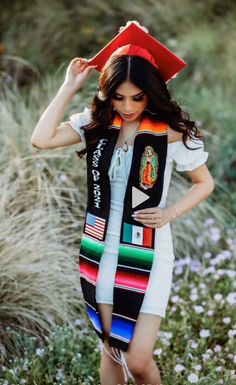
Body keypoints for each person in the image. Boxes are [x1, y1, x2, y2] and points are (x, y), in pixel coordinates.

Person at [31, 21, 215, 385]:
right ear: (107, 94)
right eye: (118, 96)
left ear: (152, 93)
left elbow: (204, 183)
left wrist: (170, 213)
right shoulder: (97, 123)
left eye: (137, 97)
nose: (127, 106)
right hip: (100, 247)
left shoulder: (170, 132)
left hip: (148, 249)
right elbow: (41, 138)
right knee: (112, 350)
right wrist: (70, 87)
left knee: (139, 359)